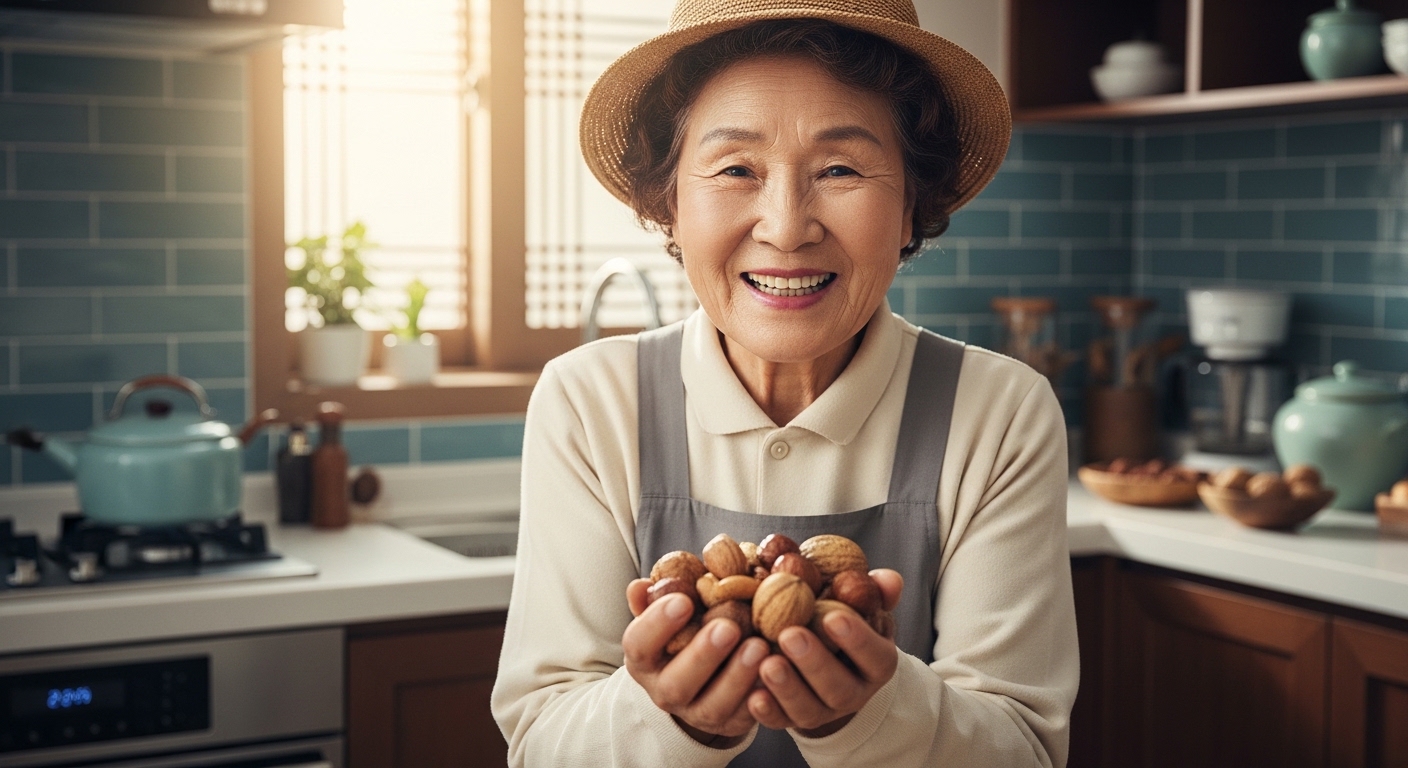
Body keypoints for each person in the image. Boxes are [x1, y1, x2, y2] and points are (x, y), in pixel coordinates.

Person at [491, 1, 1078, 766]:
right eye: (737, 169)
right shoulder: (589, 401)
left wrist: (870, 715)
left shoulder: (1000, 412)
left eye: (839, 169)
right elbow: (541, 744)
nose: (786, 226)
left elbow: (1025, 751)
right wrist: (676, 720)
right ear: (671, 203)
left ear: (912, 207)